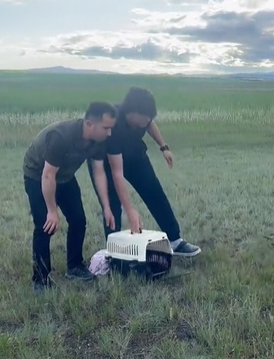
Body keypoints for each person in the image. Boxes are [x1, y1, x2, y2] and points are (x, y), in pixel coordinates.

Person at [86, 87, 201, 257]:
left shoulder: (144, 118)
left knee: (154, 192)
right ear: (130, 112)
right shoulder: (114, 125)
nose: (147, 120)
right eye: (144, 117)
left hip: (134, 155)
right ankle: (115, 252)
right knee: (112, 205)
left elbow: (150, 125)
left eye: (149, 117)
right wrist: (130, 209)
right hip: (106, 163)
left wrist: (164, 147)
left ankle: (175, 241)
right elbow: (117, 173)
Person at [22, 101, 123, 292]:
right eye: (106, 128)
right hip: (37, 175)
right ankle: (40, 281)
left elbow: (99, 172)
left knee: (78, 220)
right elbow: (48, 175)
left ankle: (74, 267)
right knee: (45, 226)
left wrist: (107, 207)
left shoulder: (97, 140)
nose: (109, 133)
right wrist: (52, 210)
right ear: (90, 124)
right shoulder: (61, 136)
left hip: (65, 176)